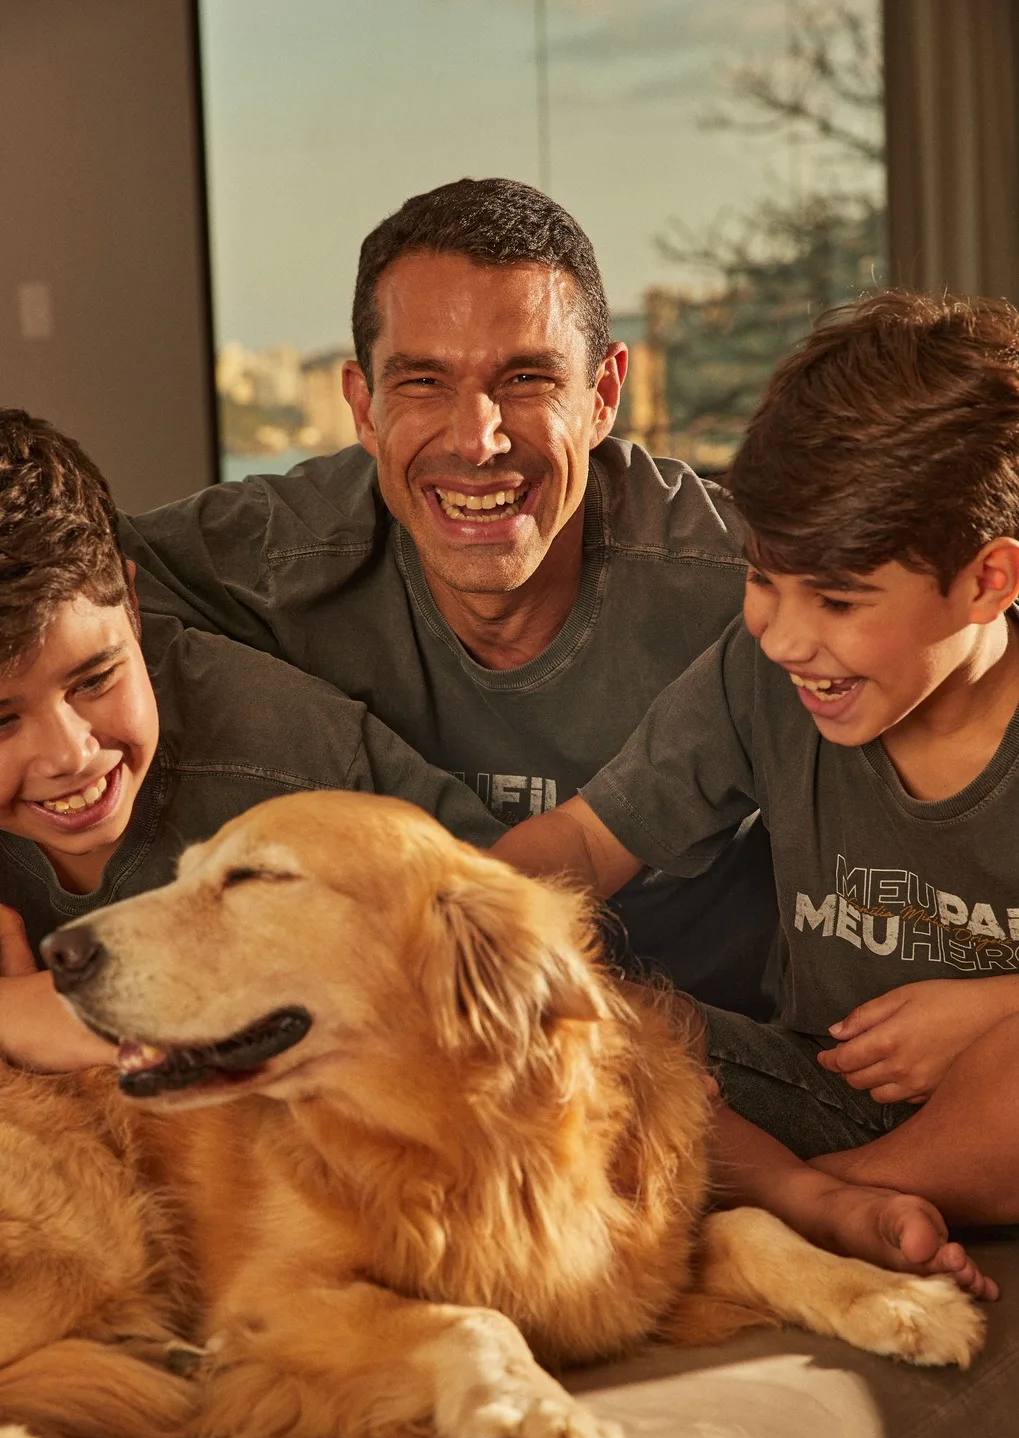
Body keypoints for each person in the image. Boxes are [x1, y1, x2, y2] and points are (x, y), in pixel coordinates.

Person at [118, 176, 778, 1022]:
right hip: (396, 1025)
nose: (476, 439)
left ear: (603, 396)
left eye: (527, 379)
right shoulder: (277, 554)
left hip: (702, 1042)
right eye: (422, 382)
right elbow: (45, 587)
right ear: (362, 405)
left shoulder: (745, 579)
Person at [491, 289, 1019, 1300]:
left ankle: (805, 1199)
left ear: (987, 580)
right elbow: (587, 841)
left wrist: (992, 1009)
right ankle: (811, 1200)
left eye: (836, 599)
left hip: (993, 1106)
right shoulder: (760, 673)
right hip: (809, 1085)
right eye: (762, 578)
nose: (781, 633)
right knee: (587, 1013)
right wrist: (448, 923)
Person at [0, 409, 502, 1070]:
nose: (70, 755)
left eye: (95, 678)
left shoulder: (288, 754)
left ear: (131, 601)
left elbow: (512, 927)